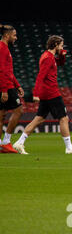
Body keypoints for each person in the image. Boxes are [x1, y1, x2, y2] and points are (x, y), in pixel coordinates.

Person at [13, 35, 72, 154]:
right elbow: (41, 76)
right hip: (51, 93)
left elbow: (60, 63)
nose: (62, 47)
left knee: (38, 119)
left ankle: (19, 142)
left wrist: (62, 56)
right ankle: (69, 147)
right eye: (61, 45)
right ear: (56, 45)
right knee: (63, 118)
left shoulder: (49, 56)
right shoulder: (48, 58)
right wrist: (35, 93)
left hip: (47, 93)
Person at [0, 24, 24, 153]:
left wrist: (17, 84)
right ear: (7, 35)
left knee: (2, 114)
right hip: (5, 86)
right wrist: (4, 90)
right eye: (14, 35)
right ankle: (6, 141)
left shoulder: (5, 48)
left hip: (8, 85)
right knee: (19, 110)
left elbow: (8, 71)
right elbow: (2, 70)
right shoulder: (2, 48)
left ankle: (2, 144)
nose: (16, 38)